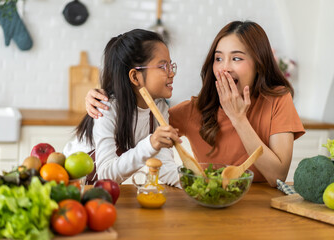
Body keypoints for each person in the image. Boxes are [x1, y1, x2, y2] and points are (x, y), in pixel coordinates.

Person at [84, 21, 305, 187]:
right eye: (218, 58)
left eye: (236, 58)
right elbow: (141, 118)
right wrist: (104, 96)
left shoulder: (277, 99)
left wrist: (238, 119)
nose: (224, 67)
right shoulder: (194, 109)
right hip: (211, 204)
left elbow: (278, 176)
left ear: (260, 63)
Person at [64, 29, 181, 187]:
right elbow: (105, 174)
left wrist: (201, 184)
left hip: (100, 192)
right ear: (135, 77)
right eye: (162, 67)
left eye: (170, 65)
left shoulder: (159, 109)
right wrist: (151, 144)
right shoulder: (107, 108)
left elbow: (166, 167)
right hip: (71, 185)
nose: (171, 73)